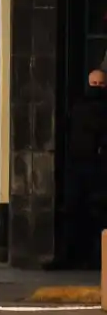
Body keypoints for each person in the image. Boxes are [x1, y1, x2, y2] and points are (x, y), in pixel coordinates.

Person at [61, 69, 107, 268]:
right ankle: (73, 256)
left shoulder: (80, 107)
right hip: (78, 166)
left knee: (98, 214)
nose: (97, 88)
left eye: (100, 84)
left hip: (97, 169)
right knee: (74, 212)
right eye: (94, 83)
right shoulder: (78, 107)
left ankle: (96, 258)